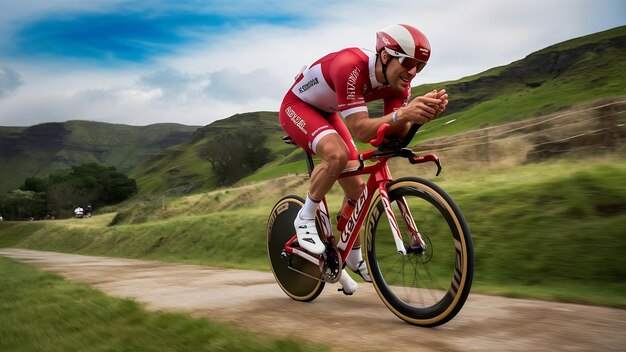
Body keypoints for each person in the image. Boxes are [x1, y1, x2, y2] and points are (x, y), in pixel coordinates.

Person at [278, 24, 448, 294]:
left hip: (330, 111)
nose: (413, 72)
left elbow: (387, 136)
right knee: (337, 155)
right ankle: (305, 217)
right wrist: (403, 115)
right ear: (385, 56)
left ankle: (353, 255)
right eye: (408, 62)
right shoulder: (351, 66)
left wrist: (419, 117)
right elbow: (360, 129)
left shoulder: (399, 84)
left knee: (357, 188)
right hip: (298, 107)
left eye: (420, 66)